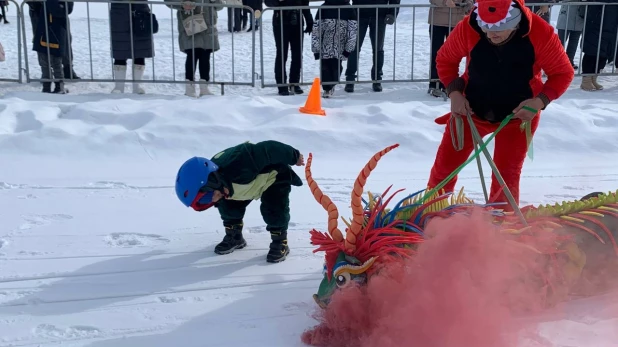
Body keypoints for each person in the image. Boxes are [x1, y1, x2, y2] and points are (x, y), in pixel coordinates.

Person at [426, 0, 574, 208]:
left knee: (506, 176)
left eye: (499, 29)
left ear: (515, 22)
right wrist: (455, 93)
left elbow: (562, 73)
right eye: (486, 28)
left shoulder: (541, 33)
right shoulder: (469, 27)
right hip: (469, 111)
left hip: (517, 117)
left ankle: (501, 224)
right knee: (444, 168)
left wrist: (540, 101)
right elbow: (445, 59)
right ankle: (430, 214)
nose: (491, 34)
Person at [174, 140, 305, 263]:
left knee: (274, 208)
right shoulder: (218, 184)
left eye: (207, 197)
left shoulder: (241, 163)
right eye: (204, 201)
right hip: (245, 185)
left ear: (211, 181)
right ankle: (235, 237)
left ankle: (280, 241)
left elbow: (268, 149)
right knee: (227, 206)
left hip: (274, 177)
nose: (211, 201)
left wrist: (294, 156)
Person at [166, 0, 223, 97]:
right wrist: (182, 4)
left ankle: (204, 87)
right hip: (191, 22)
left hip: (208, 26)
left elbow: (220, 6)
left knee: (205, 55)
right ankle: (190, 87)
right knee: (193, 53)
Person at [343, 0, 399, 93]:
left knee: (378, 49)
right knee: (354, 48)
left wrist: (393, 12)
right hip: (358, 14)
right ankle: (350, 79)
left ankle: (377, 80)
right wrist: (346, 9)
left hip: (380, 15)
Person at [264, 0, 313, 96]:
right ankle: (282, 85)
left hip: (297, 22)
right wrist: (277, 2)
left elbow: (305, 4)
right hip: (280, 22)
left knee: (297, 55)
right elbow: (268, 1)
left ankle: (294, 83)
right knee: (282, 54)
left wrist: (309, 20)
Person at [311, 0, 358, 98]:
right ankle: (327, 88)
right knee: (325, 67)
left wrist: (348, 48)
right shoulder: (323, 7)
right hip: (325, 46)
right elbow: (316, 29)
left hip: (340, 46)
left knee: (336, 67)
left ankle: (332, 84)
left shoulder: (349, 9)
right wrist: (316, 49)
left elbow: (352, 31)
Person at [427, 0, 474, 97]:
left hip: (457, 21)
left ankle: (449, 84)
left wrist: (468, 4)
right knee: (436, 53)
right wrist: (445, 2)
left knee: (453, 55)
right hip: (438, 21)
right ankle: (435, 83)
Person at [109, 0, 158, 94]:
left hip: (140, 11)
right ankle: (119, 86)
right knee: (120, 50)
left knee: (140, 51)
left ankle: (137, 86)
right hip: (119, 13)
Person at [32, 0, 73, 93]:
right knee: (46, 62)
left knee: (54, 62)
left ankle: (58, 86)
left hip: (55, 32)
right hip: (45, 30)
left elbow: (64, 9)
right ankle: (48, 86)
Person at [578, 0, 618, 91]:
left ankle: (594, 78)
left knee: (603, 54)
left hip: (610, 25)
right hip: (597, 23)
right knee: (592, 52)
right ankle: (586, 80)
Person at [556, 0, 584, 70]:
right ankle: (557, 61)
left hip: (579, 16)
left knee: (574, 42)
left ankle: (569, 61)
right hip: (566, 14)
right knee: (560, 42)